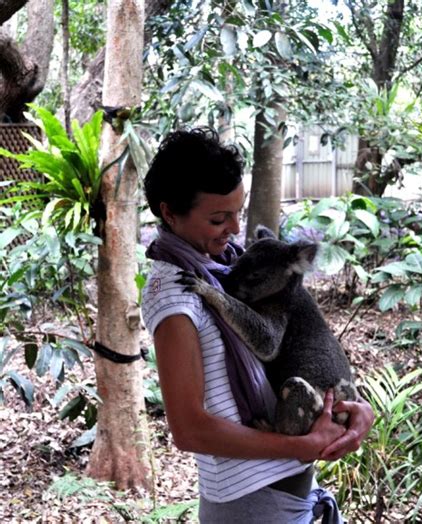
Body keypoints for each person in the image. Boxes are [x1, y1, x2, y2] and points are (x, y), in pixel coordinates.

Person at [141, 128, 374, 523]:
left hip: (287, 495)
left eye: (238, 212)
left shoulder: (223, 266)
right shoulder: (176, 294)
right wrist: (299, 445)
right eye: (218, 218)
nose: (234, 228)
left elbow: (296, 350)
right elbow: (189, 430)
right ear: (169, 213)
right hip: (253, 506)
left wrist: (352, 411)